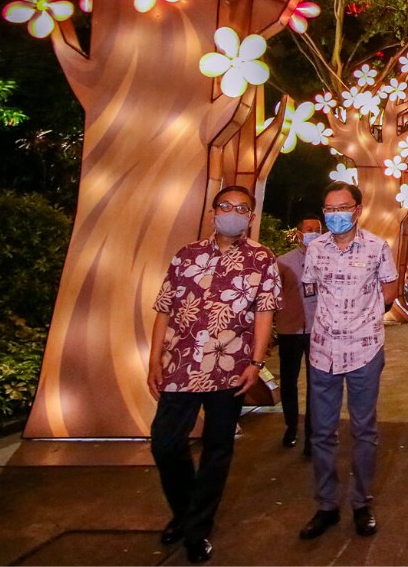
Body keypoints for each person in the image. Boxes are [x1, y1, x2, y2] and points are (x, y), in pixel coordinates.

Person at [147, 185, 281, 564]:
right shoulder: (186, 255)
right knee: (165, 444)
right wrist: (154, 359)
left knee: (218, 450)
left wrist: (255, 363)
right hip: (180, 365)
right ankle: (186, 511)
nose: (233, 213)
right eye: (226, 206)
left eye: (242, 208)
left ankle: (197, 527)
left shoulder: (262, 260)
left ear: (250, 217)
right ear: (213, 212)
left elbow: (264, 314)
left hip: (230, 369)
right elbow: (164, 309)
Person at [298, 182, 400, 541]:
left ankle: (361, 503)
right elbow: (309, 288)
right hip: (322, 351)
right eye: (329, 209)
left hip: (365, 350)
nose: (335, 215)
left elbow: (389, 288)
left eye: (342, 207)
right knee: (322, 432)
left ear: (357, 210)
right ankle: (326, 505)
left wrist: (369, 316)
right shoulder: (316, 249)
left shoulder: (376, 248)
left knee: (364, 430)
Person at [276, 216, 321, 454]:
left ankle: (311, 436)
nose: (313, 233)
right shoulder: (282, 262)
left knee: (316, 383)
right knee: (289, 381)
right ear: (299, 233)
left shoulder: (326, 261)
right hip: (290, 330)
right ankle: (291, 426)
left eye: (318, 230)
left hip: (317, 330)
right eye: (309, 230)